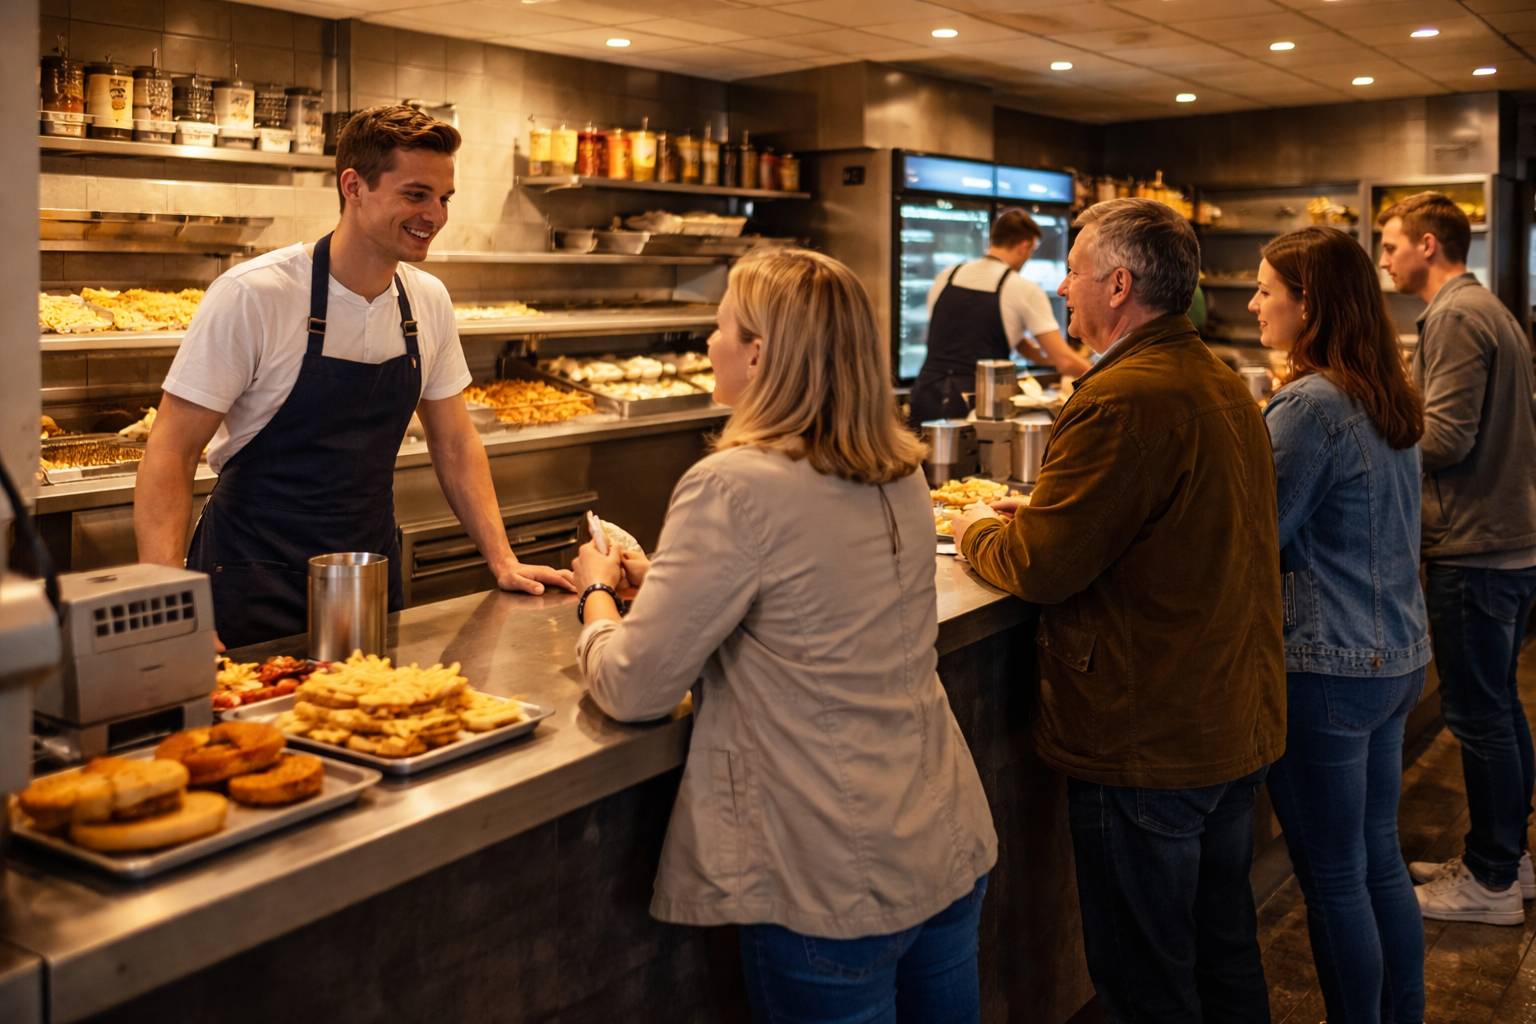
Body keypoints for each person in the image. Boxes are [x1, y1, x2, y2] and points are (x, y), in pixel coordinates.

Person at [570, 249, 997, 1023]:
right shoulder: (897, 472)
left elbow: (634, 689)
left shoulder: (733, 482)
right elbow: (808, 603)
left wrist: (598, 592)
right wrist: (668, 579)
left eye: (721, 327)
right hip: (940, 835)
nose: (708, 344)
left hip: (828, 869)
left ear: (760, 352)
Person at [950, 197, 1286, 1022]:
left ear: (1120, 284)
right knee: (1223, 951)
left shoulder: (1121, 396)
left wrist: (970, 532)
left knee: (1145, 977)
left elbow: (1040, 566)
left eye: (1074, 271)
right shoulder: (1217, 377)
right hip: (1228, 719)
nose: (1063, 287)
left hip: (1149, 735)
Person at [134, 105, 573, 649]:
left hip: (368, 574)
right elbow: (170, 451)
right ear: (353, 186)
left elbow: (455, 442)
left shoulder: (426, 300)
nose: (434, 215)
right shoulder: (255, 294)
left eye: (444, 198)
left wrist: (502, 559)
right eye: (416, 194)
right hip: (251, 577)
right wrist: (171, 604)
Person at [1248, 226, 1430, 1024]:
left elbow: (1258, 531)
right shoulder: (1380, 388)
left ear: (1308, 303)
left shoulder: (1309, 404)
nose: (1254, 303)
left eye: (1265, 289)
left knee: (1331, 876)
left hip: (1327, 667)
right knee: (1377, 860)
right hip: (1394, 657)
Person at [1378, 191, 1536, 925]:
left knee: (1478, 716)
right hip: (1504, 541)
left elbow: (1446, 439)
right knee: (1499, 708)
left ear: (1429, 246)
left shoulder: (1452, 315)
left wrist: (1381, 430)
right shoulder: (1487, 308)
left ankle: (1492, 882)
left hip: (1476, 545)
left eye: (1390, 244)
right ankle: (1505, 858)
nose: (1383, 258)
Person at [909, 207, 1090, 426]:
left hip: (925, 395)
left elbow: (1011, 341)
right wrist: (1103, 375)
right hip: (978, 405)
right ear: (1026, 246)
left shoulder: (947, 276)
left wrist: (1048, 359)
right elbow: (1064, 361)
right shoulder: (1021, 288)